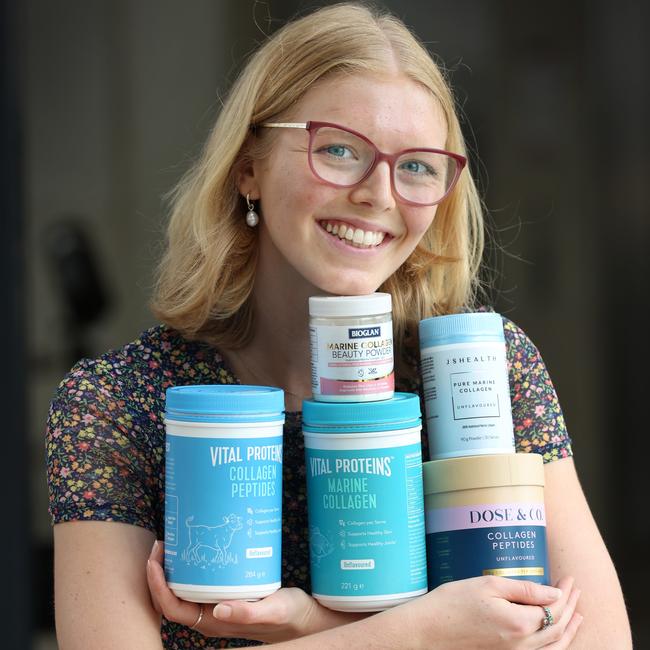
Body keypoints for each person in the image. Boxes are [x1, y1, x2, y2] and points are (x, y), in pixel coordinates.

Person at [46, 3, 631, 649]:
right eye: (339, 149)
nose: (379, 193)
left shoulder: (479, 368)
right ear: (249, 167)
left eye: (416, 165)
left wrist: (311, 623)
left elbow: (594, 637)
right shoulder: (117, 403)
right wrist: (420, 633)